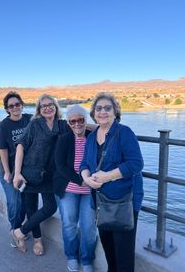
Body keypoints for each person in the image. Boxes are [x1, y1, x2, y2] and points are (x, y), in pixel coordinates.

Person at [80, 92, 144, 272]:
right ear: (94, 113)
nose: (103, 112)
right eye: (99, 108)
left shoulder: (124, 133)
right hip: (100, 203)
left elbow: (136, 164)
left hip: (123, 203)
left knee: (123, 258)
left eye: (108, 108)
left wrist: (106, 176)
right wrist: (86, 179)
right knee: (109, 253)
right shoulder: (92, 137)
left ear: (115, 112)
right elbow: (84, 163)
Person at [12, 94, 70, 255]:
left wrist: (102, 125)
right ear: (39, 110)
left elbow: (80, 125)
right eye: (43, 105)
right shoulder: (35, 124)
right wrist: (17, 174)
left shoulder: (63, 125)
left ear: (56, 107)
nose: (47, 107)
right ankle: (37, 240)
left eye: (50, 104)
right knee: (31, 208)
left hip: (50, 176)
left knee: (50, 206)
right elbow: (21, 147)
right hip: (29, 173)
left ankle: (20, 232)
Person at [54, 105, 97, 272]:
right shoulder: (64, 139)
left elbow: (112, 123)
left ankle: (86, 260)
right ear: (68, 123)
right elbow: (60, 166)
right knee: (69, 224)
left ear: (86, 121)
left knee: (88, 227)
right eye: (73, 121)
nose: (77, 124)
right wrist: (81, 180)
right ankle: (71, 256)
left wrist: (88, 181)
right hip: (69, 187)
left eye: (81, 120)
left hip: (89, 190)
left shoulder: (93, 137)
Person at [0, 91, 32, 247]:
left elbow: (51, 121)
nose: (15, 107)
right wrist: (8, 172)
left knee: (23, 203)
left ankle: (20, 229)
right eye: (11, 106)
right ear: (7, 109)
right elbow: (2, 150)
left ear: (22, 105)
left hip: (26, 172)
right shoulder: (3, 126)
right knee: (14, 203)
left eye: (17, 104)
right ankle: (14, 231)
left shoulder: (30, 119)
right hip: (9, 171)